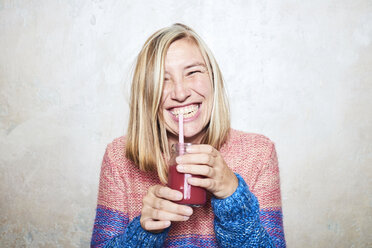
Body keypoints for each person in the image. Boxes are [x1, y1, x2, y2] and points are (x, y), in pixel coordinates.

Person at [91, 23, 286, 248]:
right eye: (163, 79)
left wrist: (232, 195)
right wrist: (145, 231)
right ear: (146, 93)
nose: (181, 93)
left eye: (192, 72)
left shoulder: (259, 153)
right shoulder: (119, 157)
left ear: (212, 78)